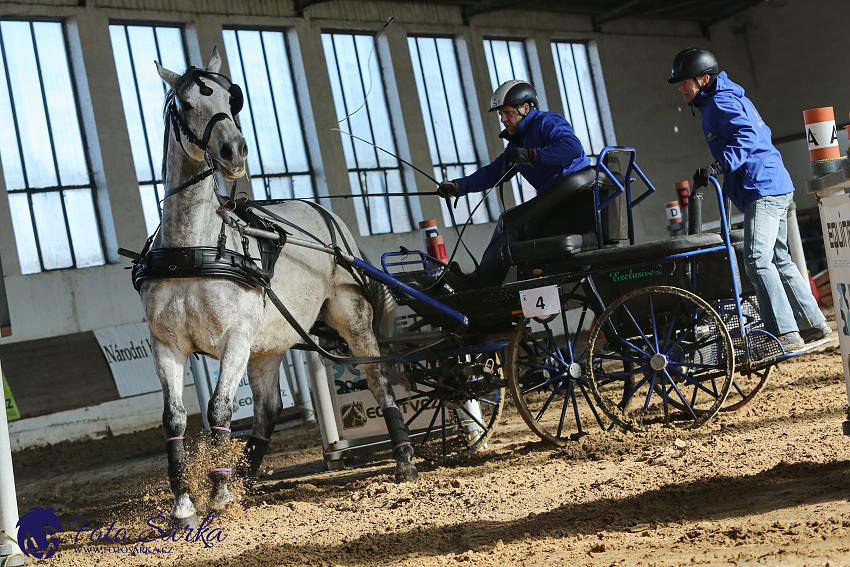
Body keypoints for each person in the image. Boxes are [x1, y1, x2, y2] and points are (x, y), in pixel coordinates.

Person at [669, 47, 830, 352]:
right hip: (773, 183)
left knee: (756, 259)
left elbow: (747, 137)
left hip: (763, 188)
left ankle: (784, 333)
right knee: (779, 259)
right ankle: (814, 324)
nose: (680, 87)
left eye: (684, 81)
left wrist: (719, 166)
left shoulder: (721, 101)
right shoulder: (721, 98)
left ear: (704, 79)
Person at [436, 79, 593, 289]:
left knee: (508, 223)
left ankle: (479, 284)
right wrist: (458, 187)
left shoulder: (547, 122)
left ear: (525, 108)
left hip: (572, 197)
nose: (503, 119)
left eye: (508, 113)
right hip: (557, 202)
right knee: (517, 224)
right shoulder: (516, 146)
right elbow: (493, 172)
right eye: (501, 114)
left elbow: (572, 147)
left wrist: (534, 155)